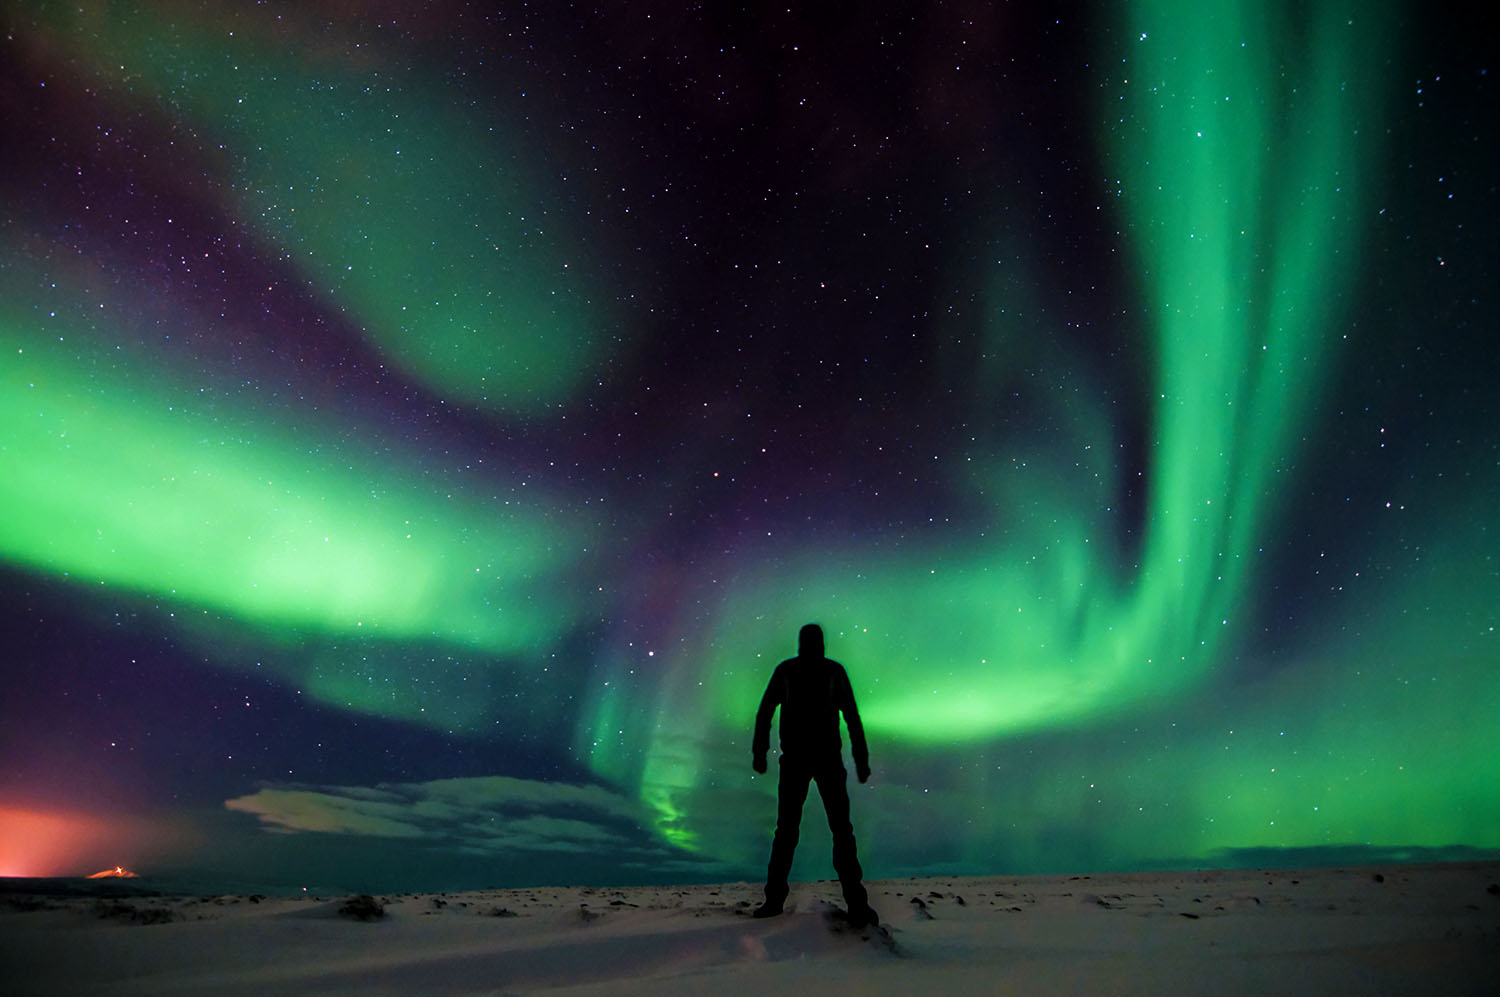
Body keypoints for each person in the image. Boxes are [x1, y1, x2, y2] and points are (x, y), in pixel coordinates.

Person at [751, 623, 878, 927]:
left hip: (815, 760)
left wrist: (759, 752)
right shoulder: (815, 671)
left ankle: (850, 903)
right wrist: (861, 759)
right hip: (809, 759)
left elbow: (850, 716)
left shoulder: (801, 670)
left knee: (809, 831)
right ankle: (851, 903)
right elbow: (851, 717)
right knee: (810, 831)